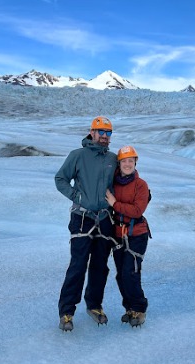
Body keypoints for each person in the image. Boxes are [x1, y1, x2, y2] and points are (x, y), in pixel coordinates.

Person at [55, 116, 118, 332]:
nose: (104, 136)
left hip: (104, 219)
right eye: (100, 131)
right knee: (78, 265)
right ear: (91, 132)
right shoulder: (78, 156)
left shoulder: (112, 158)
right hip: (82, 218)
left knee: (100, 266)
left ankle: (94, 306)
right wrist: (77, 197)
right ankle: (66, 312)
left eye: (108, 133)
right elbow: (60, 179)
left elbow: (122, 182)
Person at [105, 145, 150, 327]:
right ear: (119, 164)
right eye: (124, 161)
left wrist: (115, 204)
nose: (128, 164)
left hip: (137, 234)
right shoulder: (114, 183)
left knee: (130, 273)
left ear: (135, 163)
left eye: (131, 161)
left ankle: (139, 309)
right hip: (118, 234)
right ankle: (130, 308)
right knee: (121, 276)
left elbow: (137, 210)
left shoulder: (141, 185)